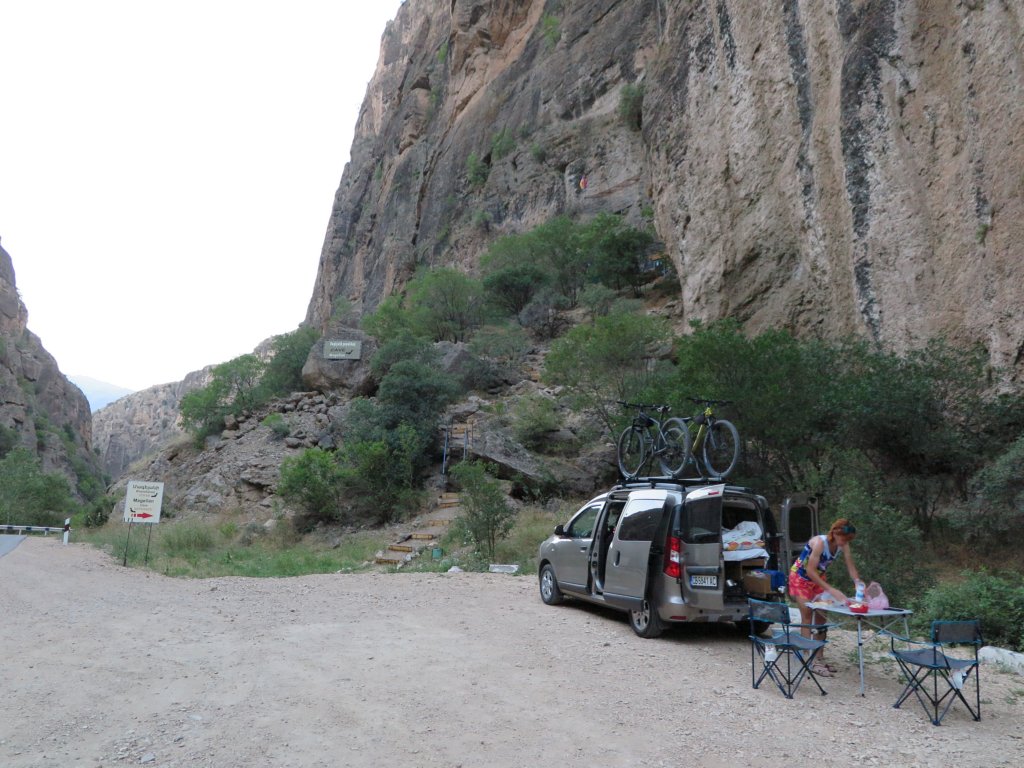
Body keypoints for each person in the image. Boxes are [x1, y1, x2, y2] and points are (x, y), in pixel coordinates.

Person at [787, 518, 862, 676]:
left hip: (818, 579)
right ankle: (808, 659)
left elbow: (850, 566)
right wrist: (831, 589)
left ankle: (819, 657)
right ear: (835, 533)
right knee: (807, 615)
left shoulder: (843, 545)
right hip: (800, 578)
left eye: (847, 540)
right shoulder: (820, 543)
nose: (844, 542)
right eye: (843, 539)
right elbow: (810, 571)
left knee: (822, 614)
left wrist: (858, 582)